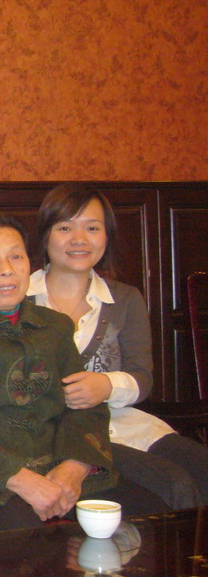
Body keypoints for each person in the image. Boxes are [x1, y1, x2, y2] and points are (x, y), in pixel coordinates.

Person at [0, 214, 168, 532]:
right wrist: (21, 479)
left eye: (16, 256)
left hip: (62, 469)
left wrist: (76, 465)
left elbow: (86, 405)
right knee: (30, 552)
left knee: (153, 523)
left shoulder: (54, 326)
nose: (6, 269)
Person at [28, 183, 207, 509]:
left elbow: (143, 378)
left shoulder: (125, 298)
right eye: (65, 227)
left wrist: (106, 384)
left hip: (124, 422)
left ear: (106, 236)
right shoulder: (16, 298)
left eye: (92, 228)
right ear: (45, 235)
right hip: (59, 435)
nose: (79, 239)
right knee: (174, 486)